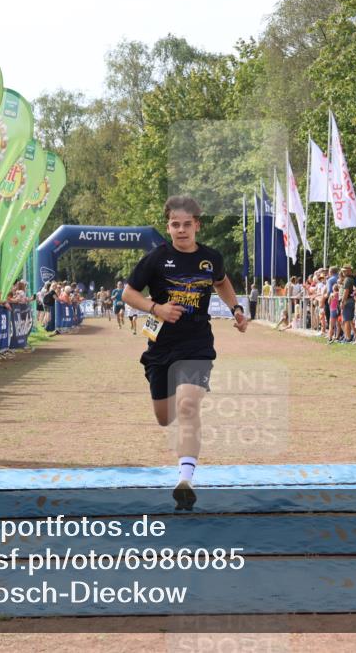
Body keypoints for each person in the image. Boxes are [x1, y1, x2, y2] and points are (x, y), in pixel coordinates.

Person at [122, 196, 247, 511]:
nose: (181, 230)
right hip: (160, 347)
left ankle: (185, 480)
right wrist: (157, 308)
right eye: (175, 224)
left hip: (197, 344)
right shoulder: (155, 259)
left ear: (197, 226)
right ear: (168, 226)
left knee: (189, 405)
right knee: (166, 418)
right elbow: (128, 293)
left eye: (186, 224)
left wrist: (236, 308)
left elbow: (221, 282)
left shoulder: (210, 258)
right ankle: (176, 414)